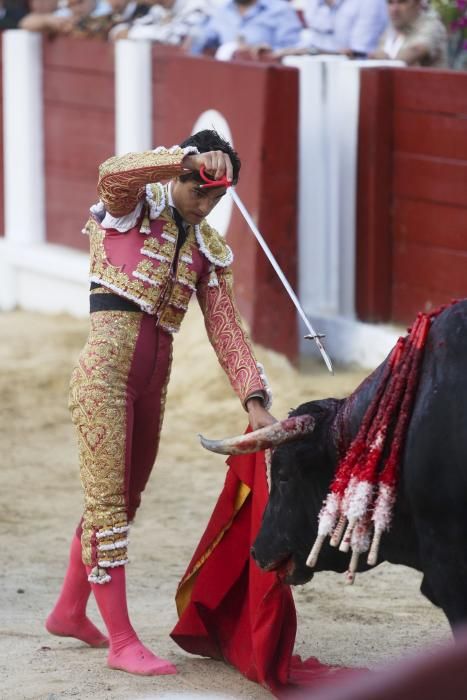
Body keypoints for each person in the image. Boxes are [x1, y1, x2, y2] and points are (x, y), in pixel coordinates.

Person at [45, 130, 276, 676]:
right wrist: (185, 158)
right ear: (181, 176)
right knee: (107, 505)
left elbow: (225, 328)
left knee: (124, 499)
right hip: (106, 375)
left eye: (219, 199)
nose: (209, 206)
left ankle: (69, 610)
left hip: (154, 381)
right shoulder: (131, 205)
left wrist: (255, 397)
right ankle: (123, 641)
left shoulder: (207, 247)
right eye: (203, 193)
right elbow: (114, 171)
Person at [190, 0, 303, 60]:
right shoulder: (222, 10)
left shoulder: (280, 9)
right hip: (225, 77)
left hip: (265, 79)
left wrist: (269, 52)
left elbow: (293, 49)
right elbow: (203, 40)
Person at [370, 0, 447, 67]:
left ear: (418, 3)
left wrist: (384, 62)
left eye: (402, 2)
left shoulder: (431, 25)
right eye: (390, 2)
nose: (394, 9)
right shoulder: (391, 28)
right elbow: (376, 56)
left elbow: (416, 51)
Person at [111, 0, 209, 45]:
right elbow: (120, 31)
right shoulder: (158, 10)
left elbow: (177, 37)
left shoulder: (198, 5)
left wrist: (133, 34)